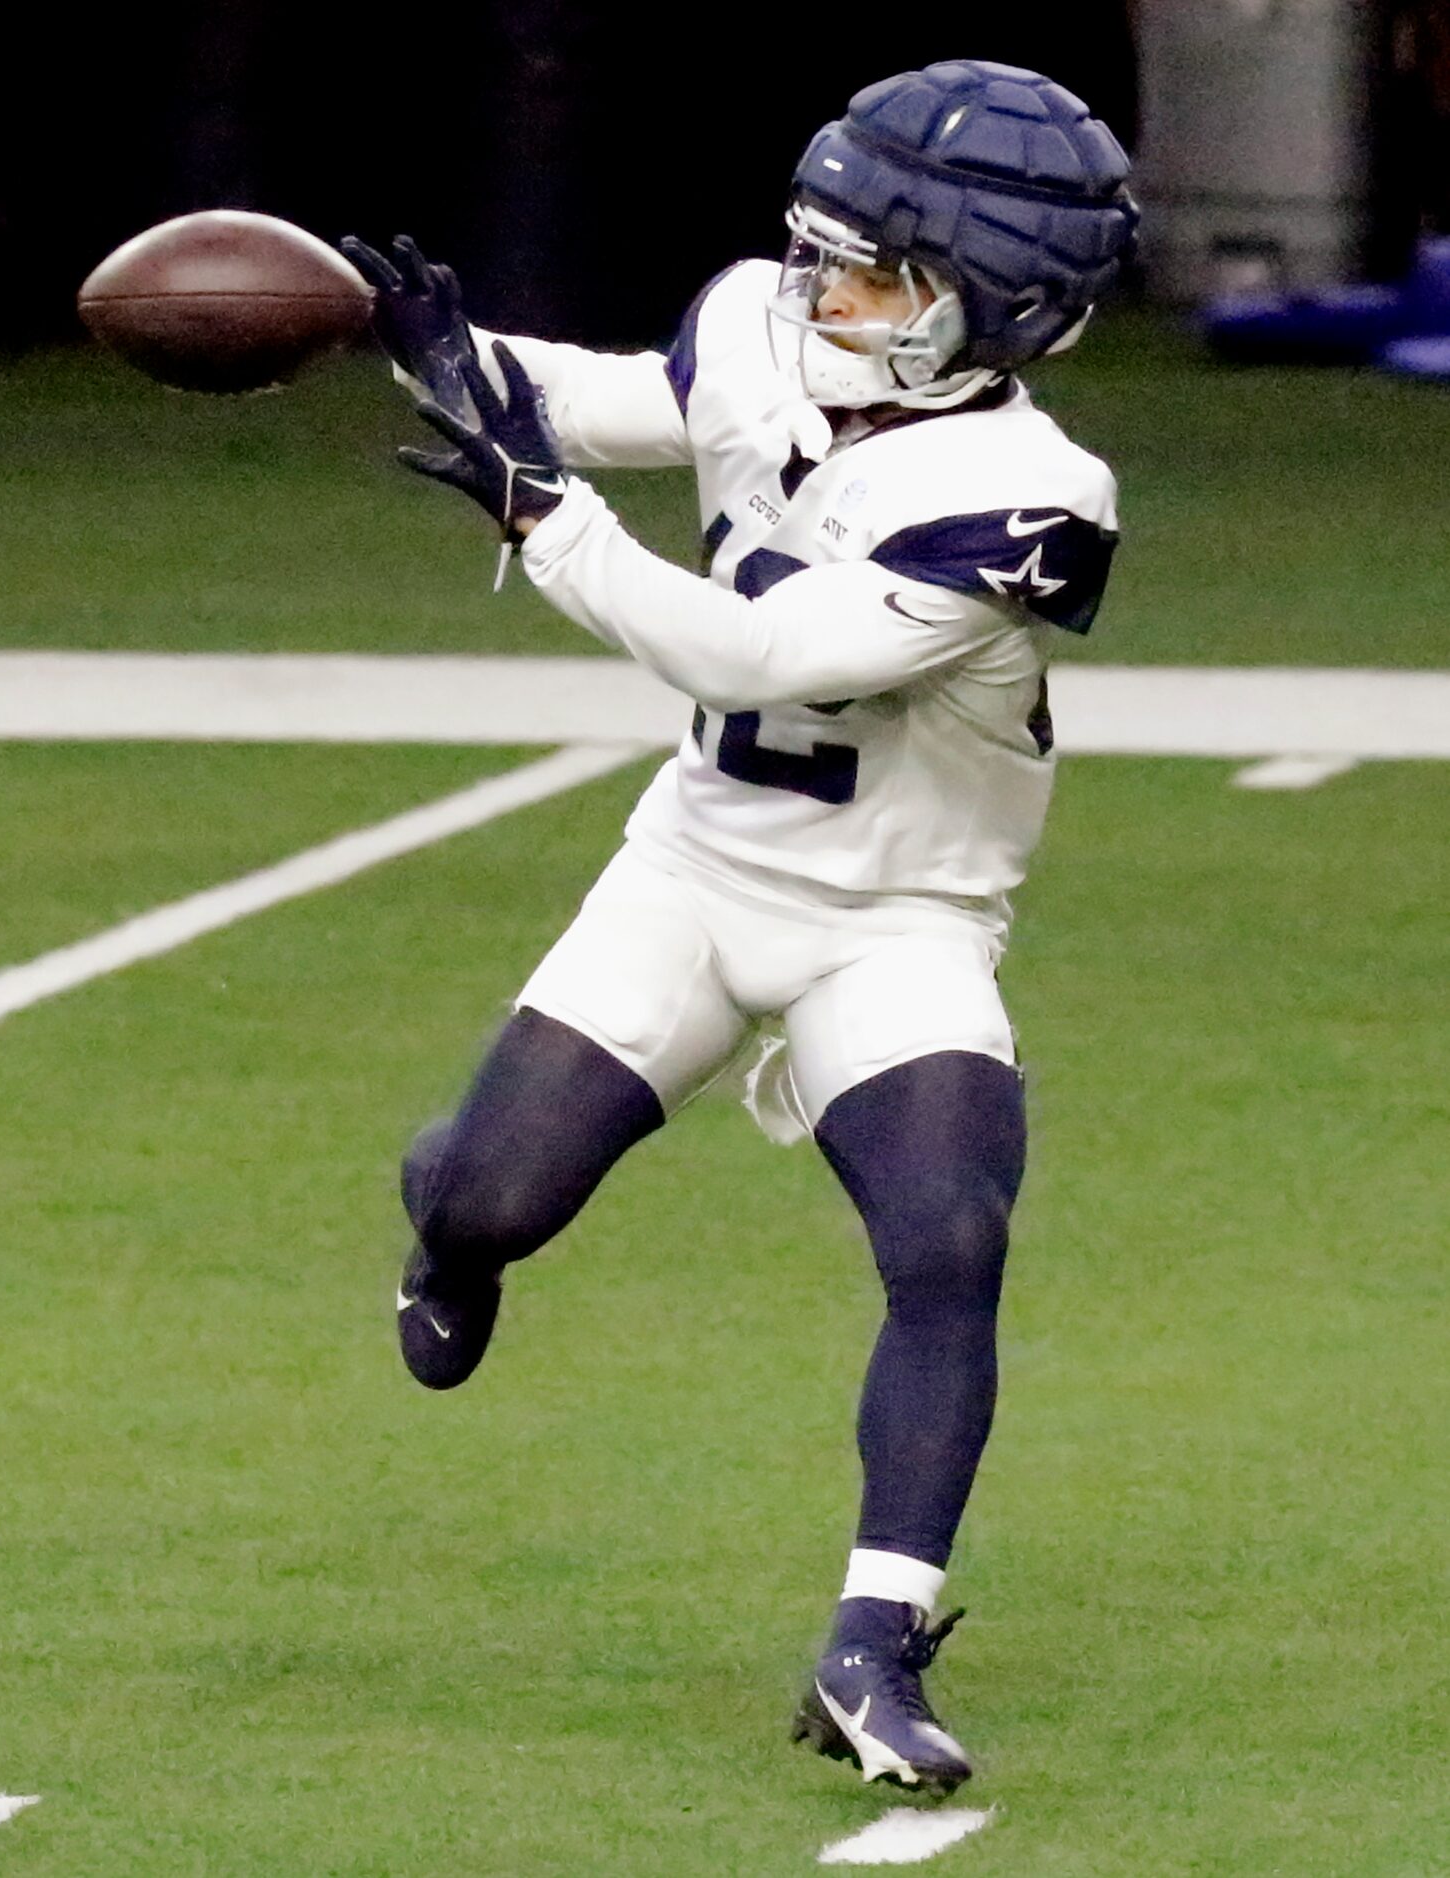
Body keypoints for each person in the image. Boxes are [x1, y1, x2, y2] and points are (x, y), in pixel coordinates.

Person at [342, 58, 1137, 1799]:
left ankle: (874, 1636)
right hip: (698, 872)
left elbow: (758, 657)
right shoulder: (764, 334)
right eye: (821, 249)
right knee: (492, 1195)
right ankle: (452, 1226)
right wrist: (418, 341)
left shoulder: (1035, 492)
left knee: (949, 1230)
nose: (819, 291)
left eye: (873, 270)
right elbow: (626, 397)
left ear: (989, 303)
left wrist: (542, 524)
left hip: (903, 918)